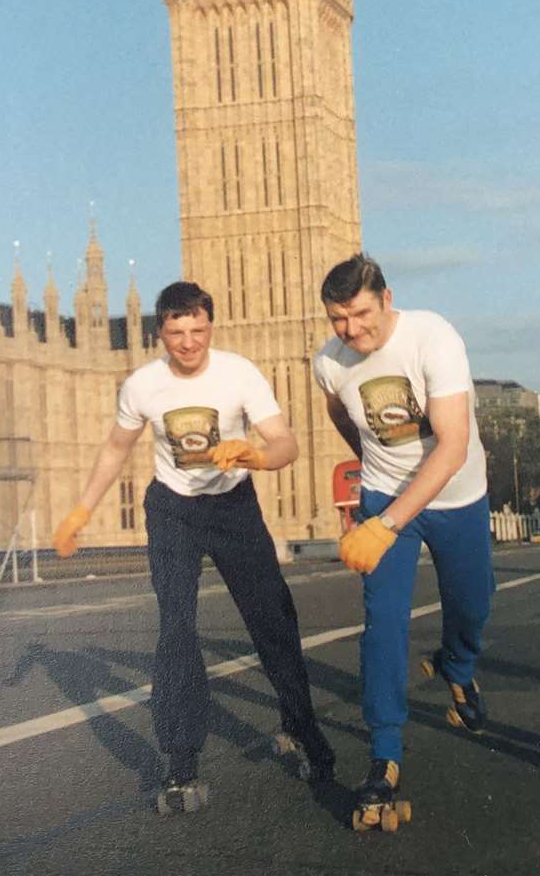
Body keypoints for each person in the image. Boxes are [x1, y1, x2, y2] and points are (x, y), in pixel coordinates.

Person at [52, 281, 333, 811]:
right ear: (160, 332)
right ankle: (180, 764)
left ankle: (303, 729)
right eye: (177, 332)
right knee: (176, 630)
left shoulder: (238, 373)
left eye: (197, 330)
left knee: (273, 619)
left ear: (211, 326)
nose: (188, 342)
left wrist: (254, 454)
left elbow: (286, 444)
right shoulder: (142, 385)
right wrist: (82, 509)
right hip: (173, 509)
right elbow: (116, 449)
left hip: (232, 505)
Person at [312, 254, 493, 829]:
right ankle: (385, 754)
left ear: (386, 299)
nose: (352, 330)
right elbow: (341, 415)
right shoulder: (329, 362)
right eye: (339, 319)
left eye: (361, 314)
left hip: (455, 494)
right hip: (385, 497)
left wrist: (386, 524)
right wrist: (377, 492)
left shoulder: (433, 338)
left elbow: (452, 444)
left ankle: (458, 668)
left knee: (473, 605)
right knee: (384, 620)